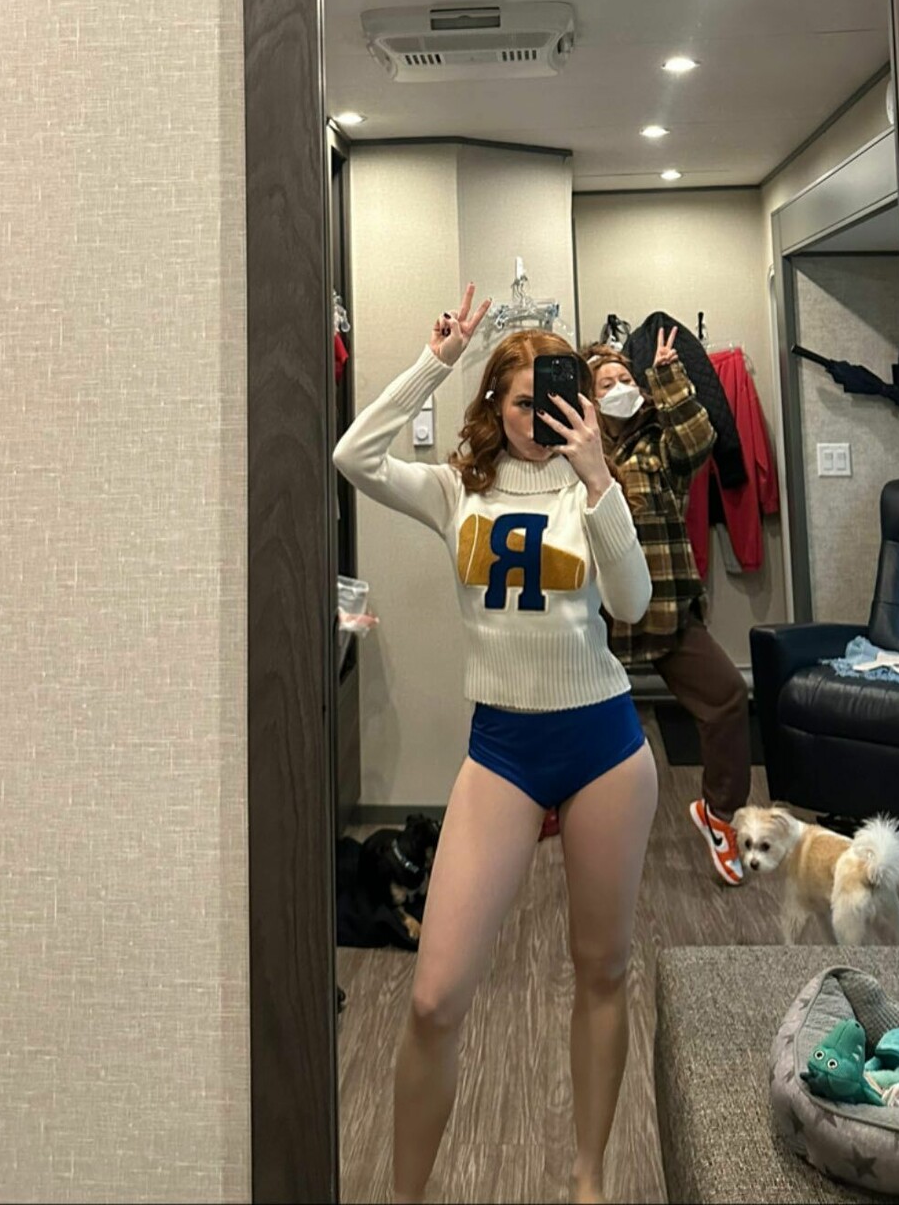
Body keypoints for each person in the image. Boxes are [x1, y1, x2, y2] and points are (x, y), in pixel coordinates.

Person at [334, 286, 657, 1205]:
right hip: (503, 751)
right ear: (495, 407)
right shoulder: (456, 491)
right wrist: (436, 361)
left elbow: (632, 604)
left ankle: (587, 1179)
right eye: (522, 402)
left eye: (556, 400)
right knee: (434, 999)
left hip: (603, 745)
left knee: (602, 969)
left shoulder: (593, 490)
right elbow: (353, 455)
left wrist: (597, 478)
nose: (539, 417)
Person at [584, 330, 752, 887]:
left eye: (625, 379)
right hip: (597, 618)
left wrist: (666, 376)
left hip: (665, 608)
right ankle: (562, 811)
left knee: (727, 696)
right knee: (573, 716)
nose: (618, 388)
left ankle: (720, 815)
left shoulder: (661, 442)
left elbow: (700, 440)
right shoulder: (578, 452)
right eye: (605, 383)